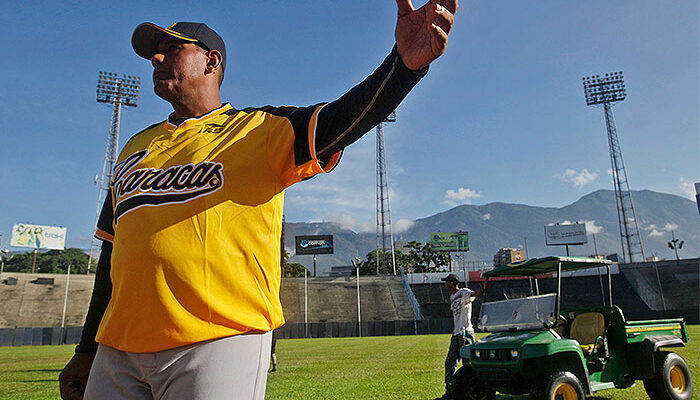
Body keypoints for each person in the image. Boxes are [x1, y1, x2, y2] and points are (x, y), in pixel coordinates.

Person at [59, 1, 457, 399]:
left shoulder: (260, 130)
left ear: (211, 61)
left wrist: (403, 68)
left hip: (219, 338)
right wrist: (87, 349)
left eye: (173, 48)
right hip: (118, 348)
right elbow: (111, 255)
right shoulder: (134, 148)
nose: (157, 59)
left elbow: (343, 119)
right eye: (155, 53)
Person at [438, 273, 488, 400]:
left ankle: (472, 393)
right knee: (450, 363)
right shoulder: (452, 297)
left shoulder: (463, 292)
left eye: (446, 282)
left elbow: (474, 294)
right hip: (456, 334)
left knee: (468, 365)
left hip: (465, 333)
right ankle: (450, 392)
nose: (445, 285)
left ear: (452, 283)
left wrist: (483, 288)